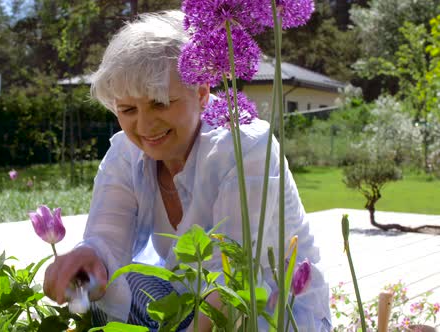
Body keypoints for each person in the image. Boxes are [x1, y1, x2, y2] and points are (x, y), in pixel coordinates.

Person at [43, 10, 331, 331]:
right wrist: (88, 259)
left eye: (160, 103)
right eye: (127, 109)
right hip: (191, 303)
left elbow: (233, 279)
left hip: (268, 311)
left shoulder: (245, 148)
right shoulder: (126, 152)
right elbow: (107, 240)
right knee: (125, 283)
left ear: (202, 92)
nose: (145, 126)